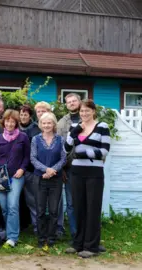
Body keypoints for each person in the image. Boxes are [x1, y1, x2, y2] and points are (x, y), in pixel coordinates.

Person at [64, 100, 111, 258]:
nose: (84, 114)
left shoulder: (102, 127)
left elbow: (104, 151)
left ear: (93, 111)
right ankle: (78, 243)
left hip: (94, 172)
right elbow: (66, 148)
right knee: (79, 208)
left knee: (92, 208)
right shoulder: (74, 127)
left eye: (87, 111)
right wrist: (75, 131)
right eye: (82, 111)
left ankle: (92, 247)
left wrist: (83, 153)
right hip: (77, 171)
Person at [0, 109, 30, 248]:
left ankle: (13, 237)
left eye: (13, 121)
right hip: (0, 176)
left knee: (13, 206)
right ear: (4, 122)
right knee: (4, 207)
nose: (10, 124)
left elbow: (27, 156)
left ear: (16, 123)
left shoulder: (23, 137)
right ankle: (7, 233)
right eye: (8, 121)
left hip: (16, 176)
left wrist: (22, 169)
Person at [30, 112, 66, 248]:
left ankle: (51, 238)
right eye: (44, 123)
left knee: (53, 210)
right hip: (40, 179)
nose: (46, 125)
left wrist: (52, 171)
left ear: (54, 124)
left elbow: (63, 158)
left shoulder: (60, 140)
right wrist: (46, 170)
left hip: (55, 180)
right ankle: (41, 238)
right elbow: (33, 158)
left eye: (49, 123)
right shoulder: (35, 139)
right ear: (40, 124)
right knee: (40, 210)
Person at [56, 93, 81, 239]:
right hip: (69, 168)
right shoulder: (61, 123)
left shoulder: (88, 119)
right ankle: (75, 234)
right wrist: (62, 168)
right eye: (69, 102)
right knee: (71, 203)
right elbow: (59, 148)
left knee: (84, 202)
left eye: (74, 101)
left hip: (86, 167)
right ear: (66, 105)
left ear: (79, 102)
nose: (71, 103)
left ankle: (86, 233)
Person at [18, 105, 42, 235]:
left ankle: (37, 228)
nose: (23, 117)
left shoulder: (36, 130)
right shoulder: (15, 128)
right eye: (21, 114)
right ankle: (21, 226)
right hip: (16, 170)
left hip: (30, 170)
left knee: (32, 201)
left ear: (30, 116)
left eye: (25, 114)